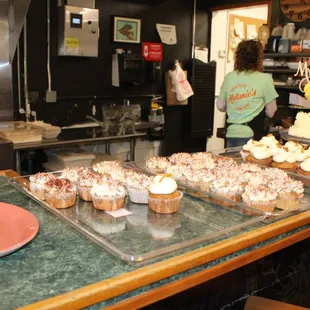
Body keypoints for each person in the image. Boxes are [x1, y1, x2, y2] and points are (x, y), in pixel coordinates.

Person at [217, 39, 278, 148]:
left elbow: (220, 106)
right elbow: (271, 112)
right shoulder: (265, 79)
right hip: (253, 135)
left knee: (232, 163)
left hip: (231, 133)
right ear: (259, 58)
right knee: (250, 164)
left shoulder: (230, 77)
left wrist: (237, 107)